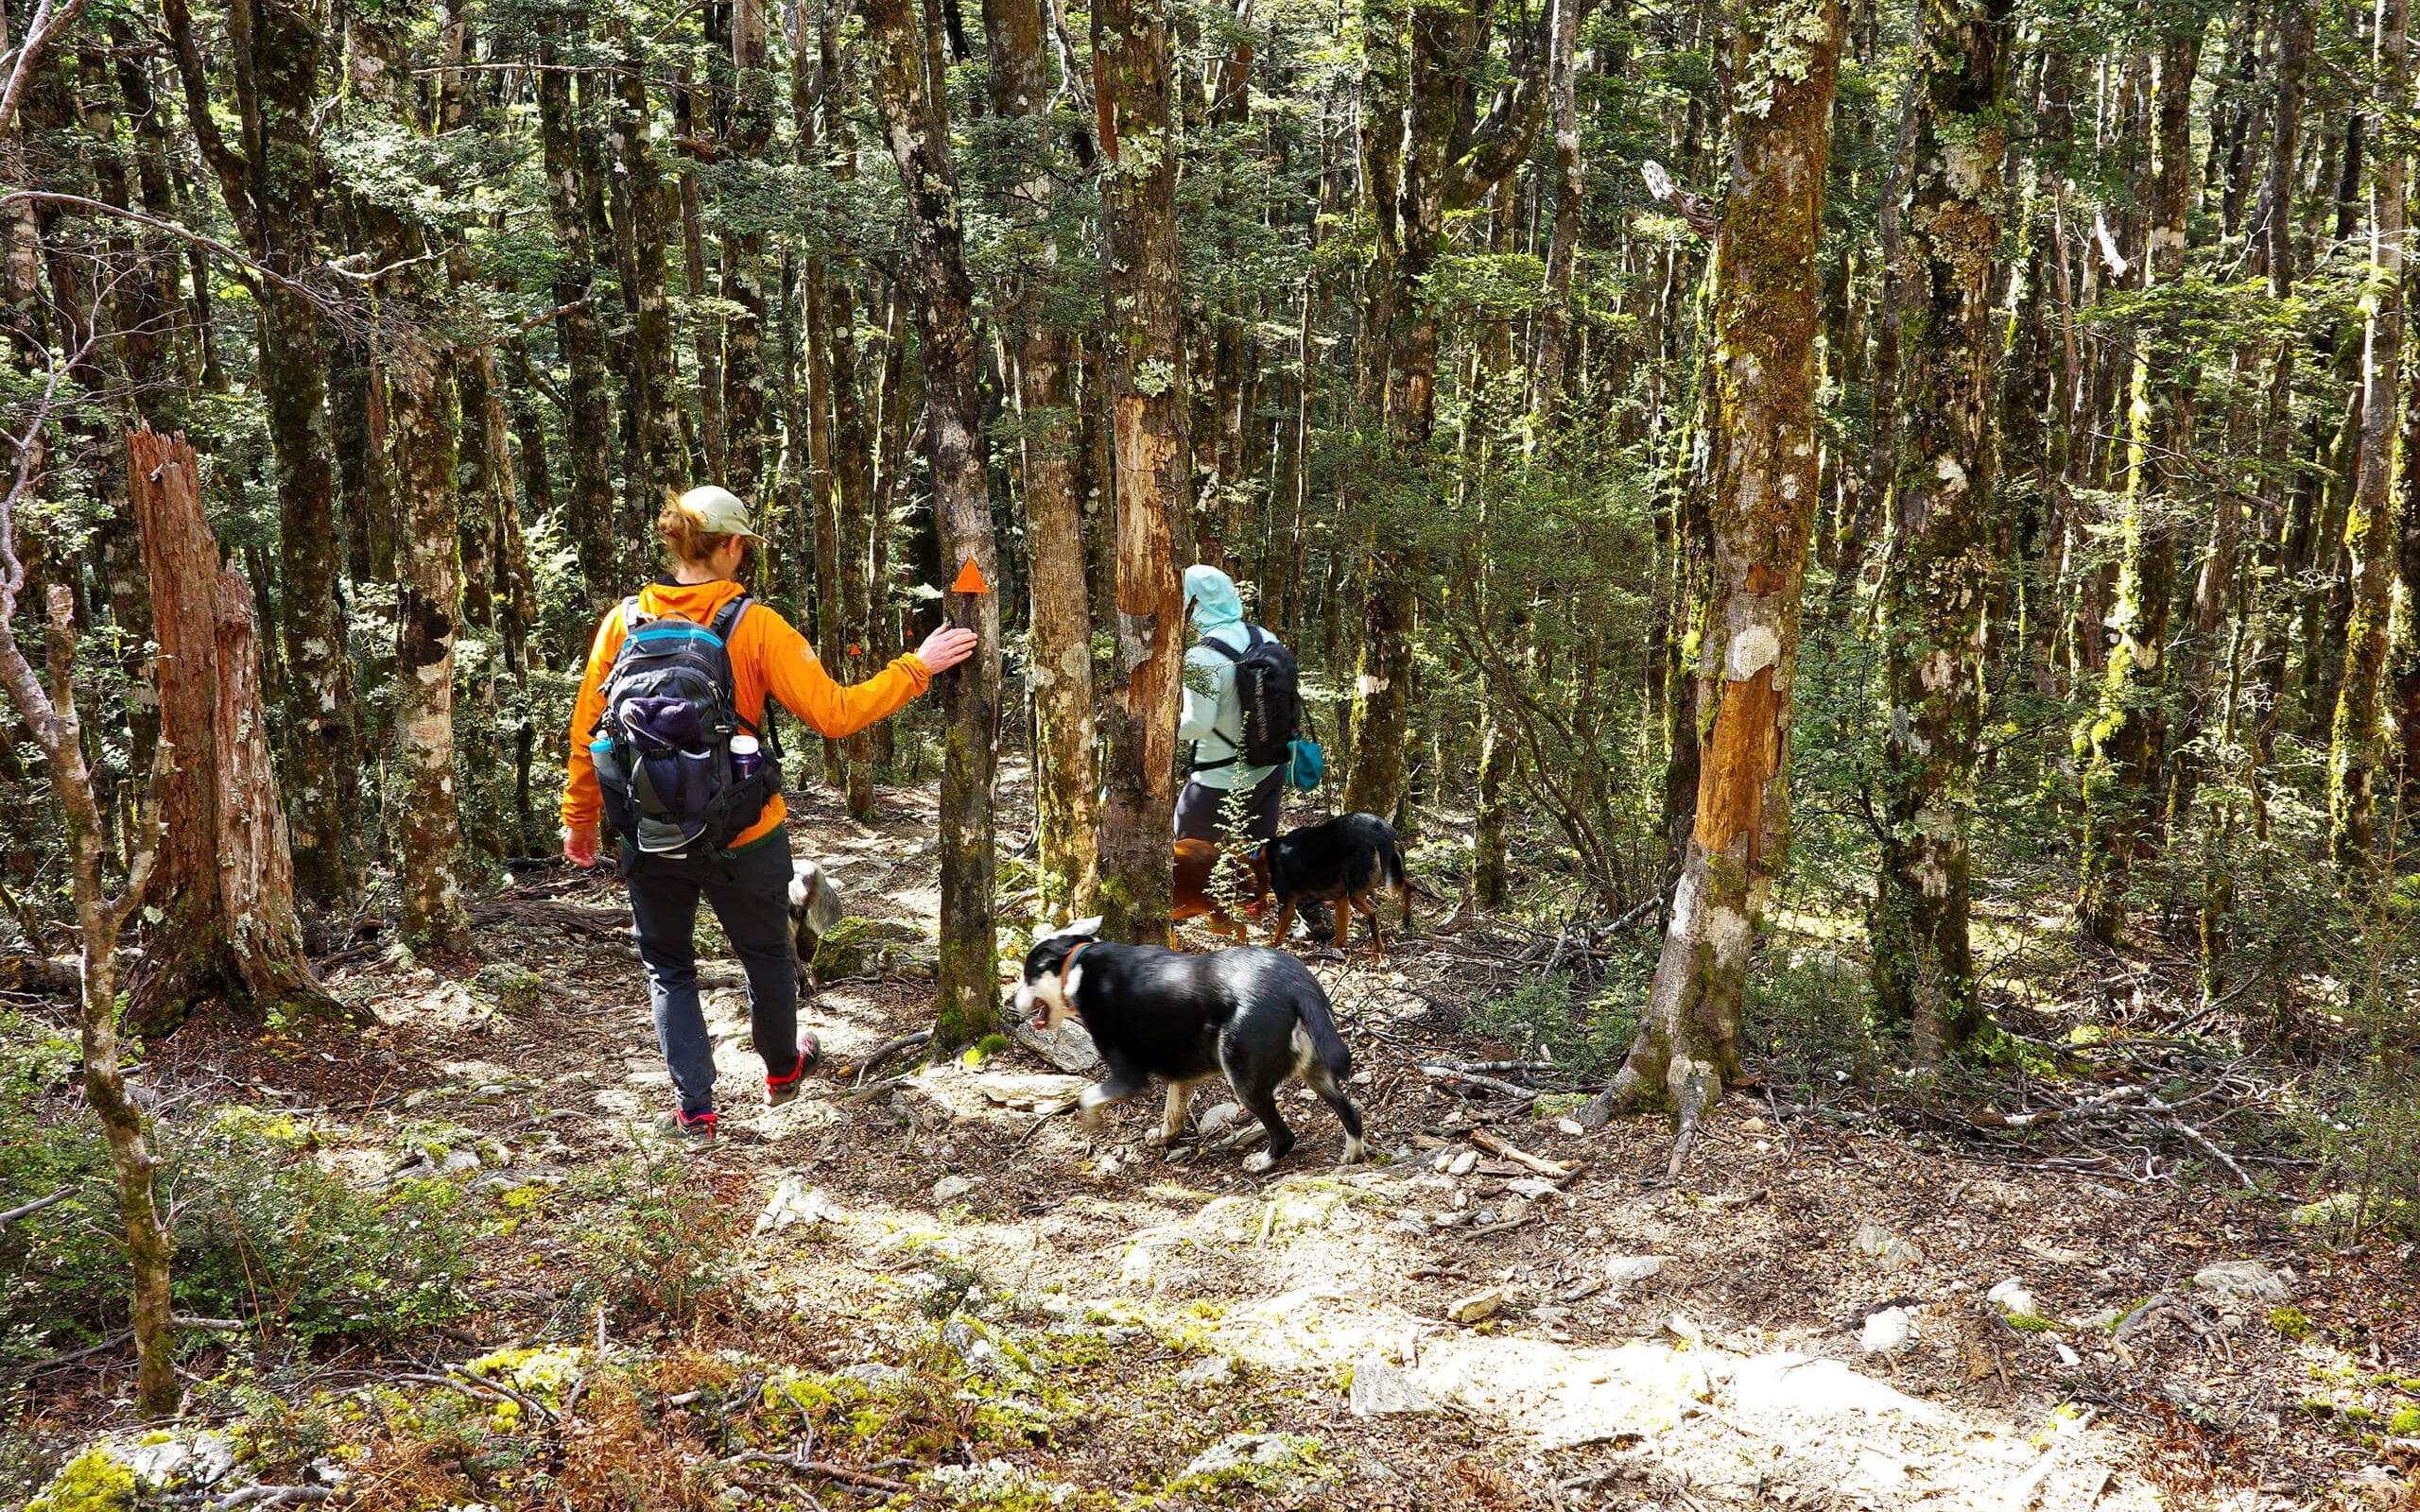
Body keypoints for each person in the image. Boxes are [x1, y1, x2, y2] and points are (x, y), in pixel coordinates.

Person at [562, 486, 976, 1138]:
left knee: (668, 966)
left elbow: (590, 732)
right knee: (765, 955)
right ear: (731, 547)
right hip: (745, 832)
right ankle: (782, 1069)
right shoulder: (754, 623)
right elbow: (835, 713)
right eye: (745, 547)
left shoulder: (623, 623)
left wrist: (581, 820)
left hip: (649, 833)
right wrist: (916, 668)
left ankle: (695, 1109)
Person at [1175, 564, 1286, 846]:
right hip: (1269, 769)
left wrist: (1152, 728)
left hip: (1217, 778)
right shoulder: (1264, 636)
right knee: (1257, 863)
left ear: (1190, 602)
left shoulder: (1202, 656)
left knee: (1186, 865)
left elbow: (1197, 724)